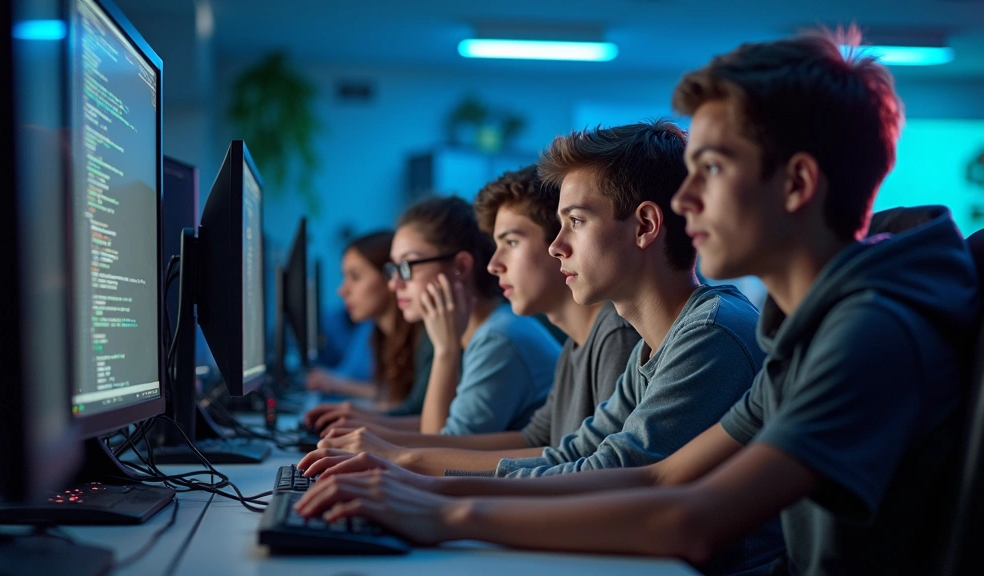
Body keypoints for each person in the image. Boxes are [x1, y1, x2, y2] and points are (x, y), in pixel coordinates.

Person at [293, 29, 980, 575]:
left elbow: (691, 522)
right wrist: (427, 490)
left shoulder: (868, 333)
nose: (683, 200)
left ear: (797, 184)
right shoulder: (800, 331)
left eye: (710, 169)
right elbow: (659, 478)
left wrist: (446, 515)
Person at [298, 120, 785, 574]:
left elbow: (619, 474)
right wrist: (422, 486)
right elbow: (574, 453)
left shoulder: (713, 333)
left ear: (644, 226)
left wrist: (436, 499)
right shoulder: (653, 348)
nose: (557, 247)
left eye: (575, 221)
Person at [311, 165, 641, 476]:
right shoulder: (574, 344)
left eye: (511, 243)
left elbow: (593, 467)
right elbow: (534, 441)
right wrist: (388, 447)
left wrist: (403, 457)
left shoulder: (511, 336)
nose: (495, 264)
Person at [309, 195, 560, 436]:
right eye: (393, 269)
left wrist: (445, 350)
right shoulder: (486, 331)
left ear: (460, 267)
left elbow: (441, 442)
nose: (394, 284)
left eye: (407, 266)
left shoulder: (497, 338)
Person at [304, 231, 433, 415]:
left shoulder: (426, 338)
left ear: (390, 277)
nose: (342, 291)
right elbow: (393, 397)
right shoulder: (375, 333)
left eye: (355, 277)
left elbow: (416, 412)